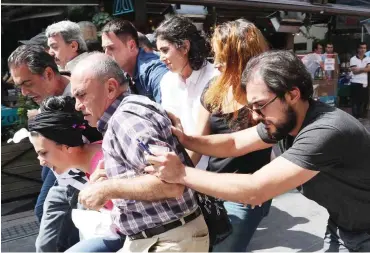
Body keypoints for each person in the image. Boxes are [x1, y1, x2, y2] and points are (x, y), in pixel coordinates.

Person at [146, 50, 370, 252]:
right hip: (345, 225)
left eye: (260, 105)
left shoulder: (325, 130)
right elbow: (233, 143)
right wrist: (185, 139)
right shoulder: (285, 121)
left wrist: (181, 173)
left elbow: (256, 190)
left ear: (292, 94)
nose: (254, 116)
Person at [70, 52, 209, 252]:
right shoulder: (127, 113)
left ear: (110, 88)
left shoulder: (127, 119)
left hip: (167, 240)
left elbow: (171, 184)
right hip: (161, 238)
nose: (77, 105)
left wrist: (108, 188)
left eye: (81, 95)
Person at [8, 45, 102, 252]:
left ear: (48, 73)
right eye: (18, 86)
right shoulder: (44, 97)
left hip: (92, 178)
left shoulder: (83, 90)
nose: (23, 92)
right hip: (63, 177)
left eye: (27, 83)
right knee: (45, 217)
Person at [195, 19, 271, 252]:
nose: (216, 64)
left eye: (223, 57)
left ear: (244, 59)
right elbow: (197, 142)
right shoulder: (213, 88)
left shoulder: (266, 93)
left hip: (245, 194)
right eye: (215, 55)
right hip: (211, 189)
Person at [28, 95, 124, 252]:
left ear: (67, 147)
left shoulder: (103, 164)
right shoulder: (95, 159)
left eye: (44, 153)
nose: (41, 161)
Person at [155, 15, 218, 169]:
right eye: (159, 52)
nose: (161, 58)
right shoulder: (167, 81)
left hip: (214, 170)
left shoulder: (215, 78)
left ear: (184, 47)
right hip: (181, 168)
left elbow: (204, 136)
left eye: (165, 50)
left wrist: (182, 175)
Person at [101, 19, 168, 103]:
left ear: (131, 46)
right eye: (104, 49)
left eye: (111, 48)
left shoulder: (154, 70)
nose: (106, 54)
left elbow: (172, 112)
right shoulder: (122, 73)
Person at [350, 42, 370, 119]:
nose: (363, 50)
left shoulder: (368, 58)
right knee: (355, 101)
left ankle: (363, 116)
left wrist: (359, 69)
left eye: (364, 48)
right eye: (361, 48)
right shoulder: (353, 59)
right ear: (358, 49)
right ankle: (356, 116)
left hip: (364, 83)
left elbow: (369, 69)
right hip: (355, 82)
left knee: (364, 101)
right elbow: (354, 71)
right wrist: (364, 68)